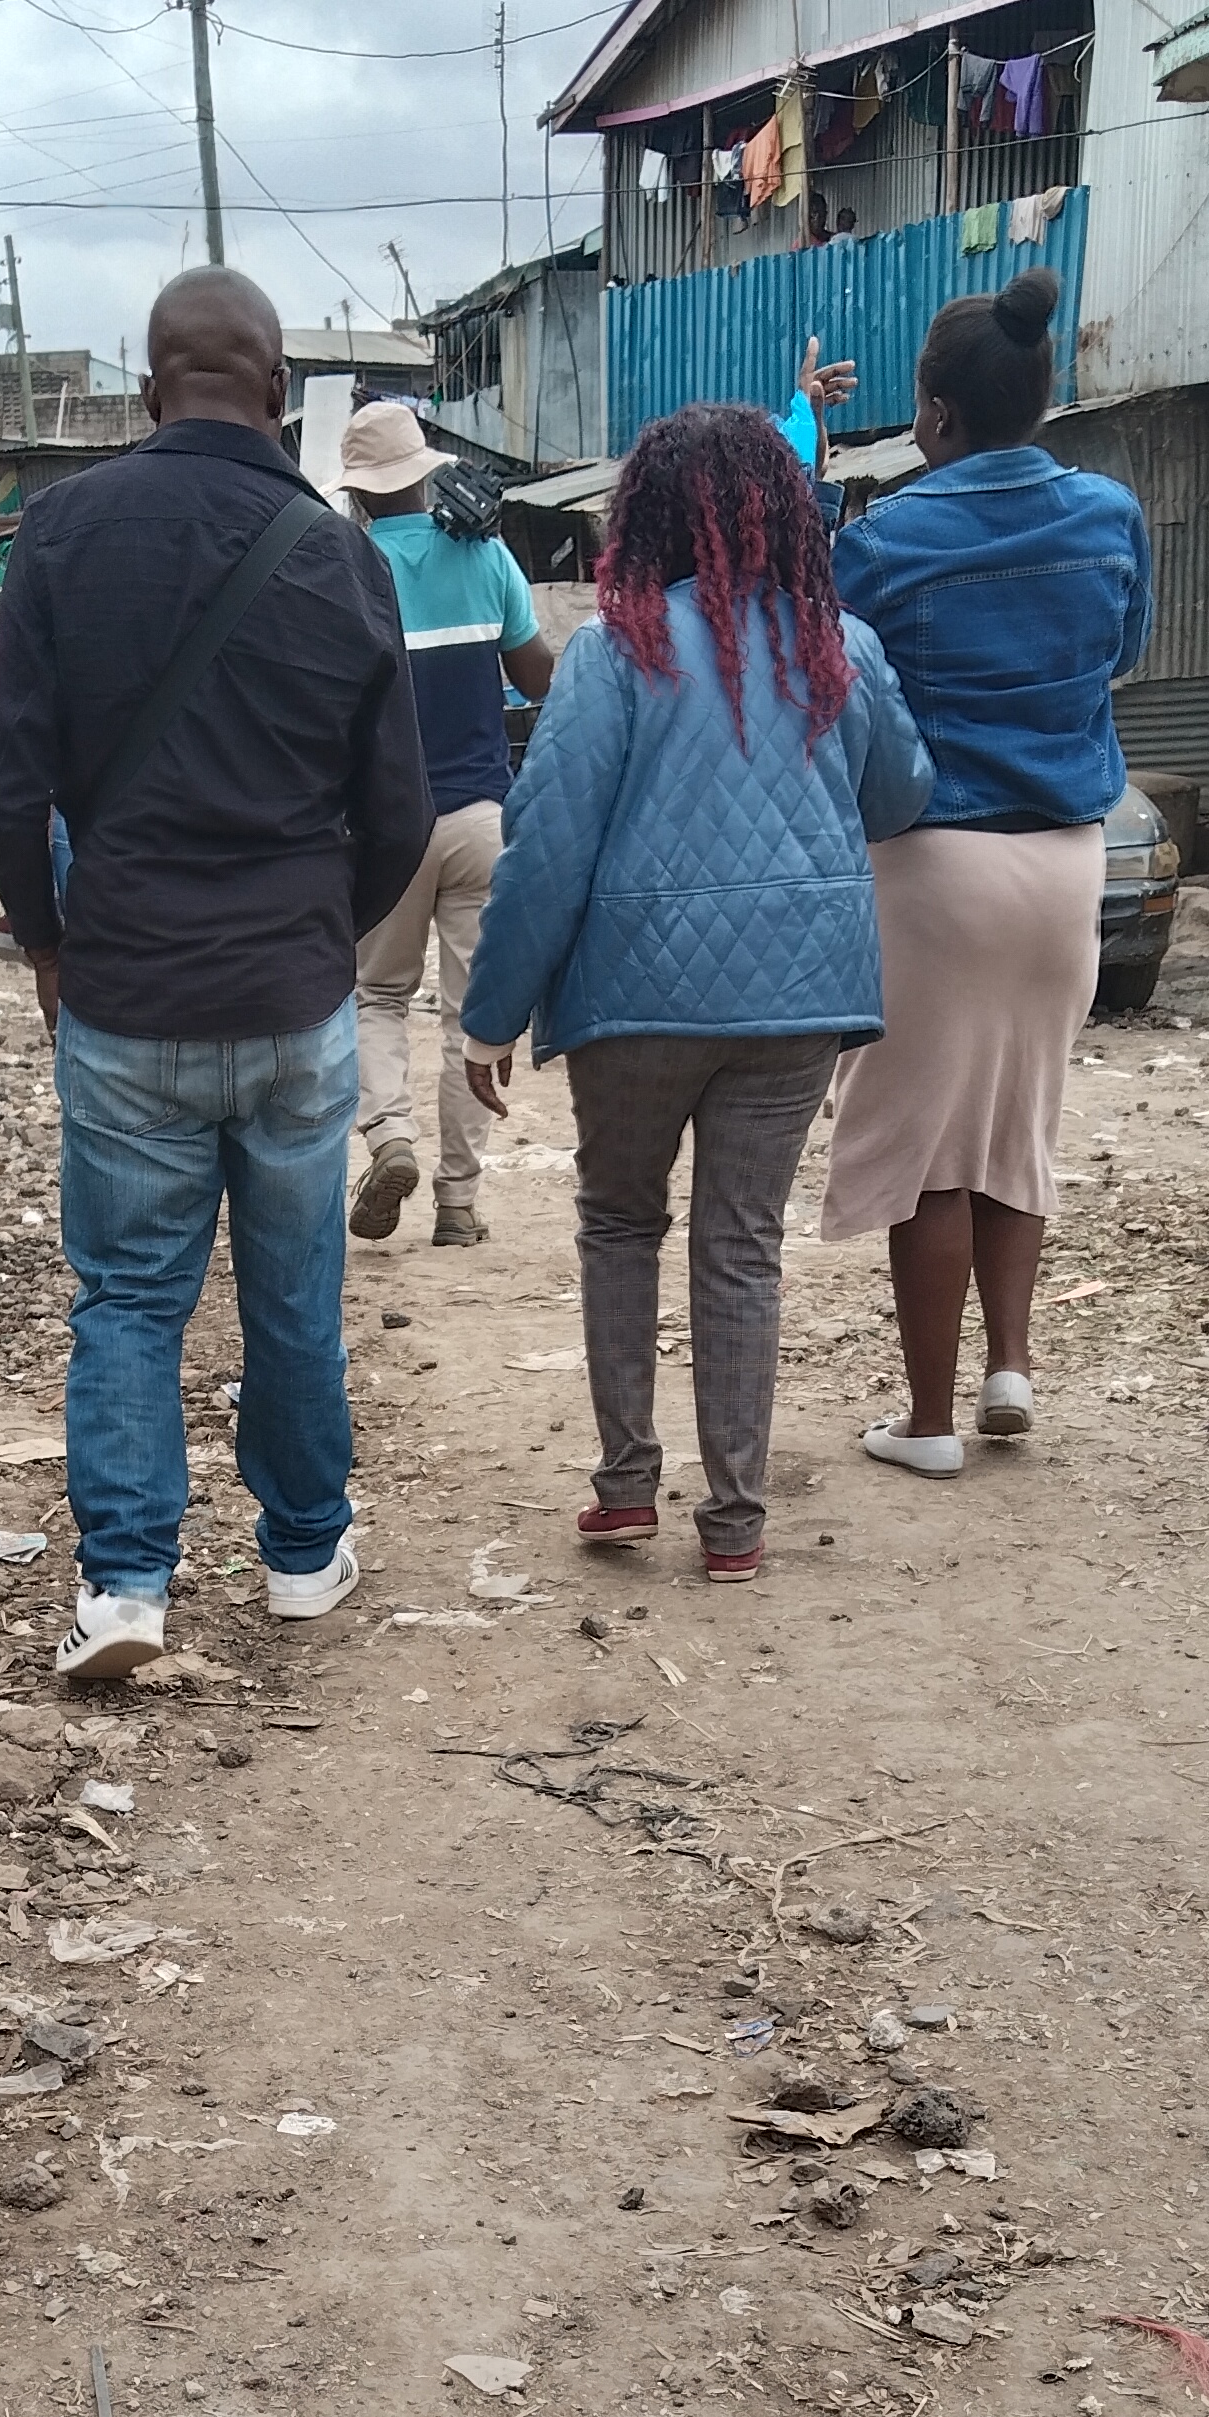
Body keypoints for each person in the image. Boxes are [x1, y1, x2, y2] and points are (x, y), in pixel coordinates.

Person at [0, 266, 432, 1683]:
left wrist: (47, 943)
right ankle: (301, 1556)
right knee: (294, 1295)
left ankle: (125, 1589)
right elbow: (400, 812)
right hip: (293, 997)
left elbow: (5, 785)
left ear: (149, 383)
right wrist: (318, 936)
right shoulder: (338, 552)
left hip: (126, 994)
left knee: (126, 1297)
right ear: (279, 391)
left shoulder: (61, 533)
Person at [458, 403, 933, 1584]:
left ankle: (626, 1488)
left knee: (620, 1222)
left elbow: (548, 845)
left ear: (646, 517)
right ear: (787, 514)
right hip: (799, 999)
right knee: (741, 1247)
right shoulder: (844, 649)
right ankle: (735, 1522)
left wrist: (490, 1013)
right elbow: (900, 800)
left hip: (634, 1002)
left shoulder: (614, 653)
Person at [818, 267, 1151, 1477]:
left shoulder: (887, 536)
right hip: (1070, 862)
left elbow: (827, 660)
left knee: (927, 1151)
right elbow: (1124, 651)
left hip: (932, 865)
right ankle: (1012, 1363)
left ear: (936, 416)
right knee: (1020, 1127)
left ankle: (928, 1421)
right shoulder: (1111, 516)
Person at [338, 398, 555, 1252]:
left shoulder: (345, 565)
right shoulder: (485, 553)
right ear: (428, 473)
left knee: (376, 995)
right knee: (471, 1018)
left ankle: (388, 1137)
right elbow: (538, 676)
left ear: (357, 494)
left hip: (386, 828)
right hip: (480, 821)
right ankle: (459, 1203)